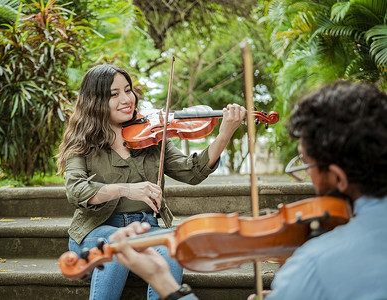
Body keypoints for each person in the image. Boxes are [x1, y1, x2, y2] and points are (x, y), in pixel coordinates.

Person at [109, 80, 387, 300]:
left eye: (307, 166)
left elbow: (191, 171)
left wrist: (164, 284)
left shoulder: (314, 266)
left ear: (338, 178)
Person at [56, 63, 247, 300]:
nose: (127, 99)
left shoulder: (153, 134)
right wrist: (126, 190)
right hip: (95, 231)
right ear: (94, 101)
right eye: (114, 94)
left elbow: (191, 172)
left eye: (128, 90)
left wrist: (224, 134)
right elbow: (76, 190)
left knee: (172, 248)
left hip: (146, 231)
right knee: (116, 245)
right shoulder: (81, 142)